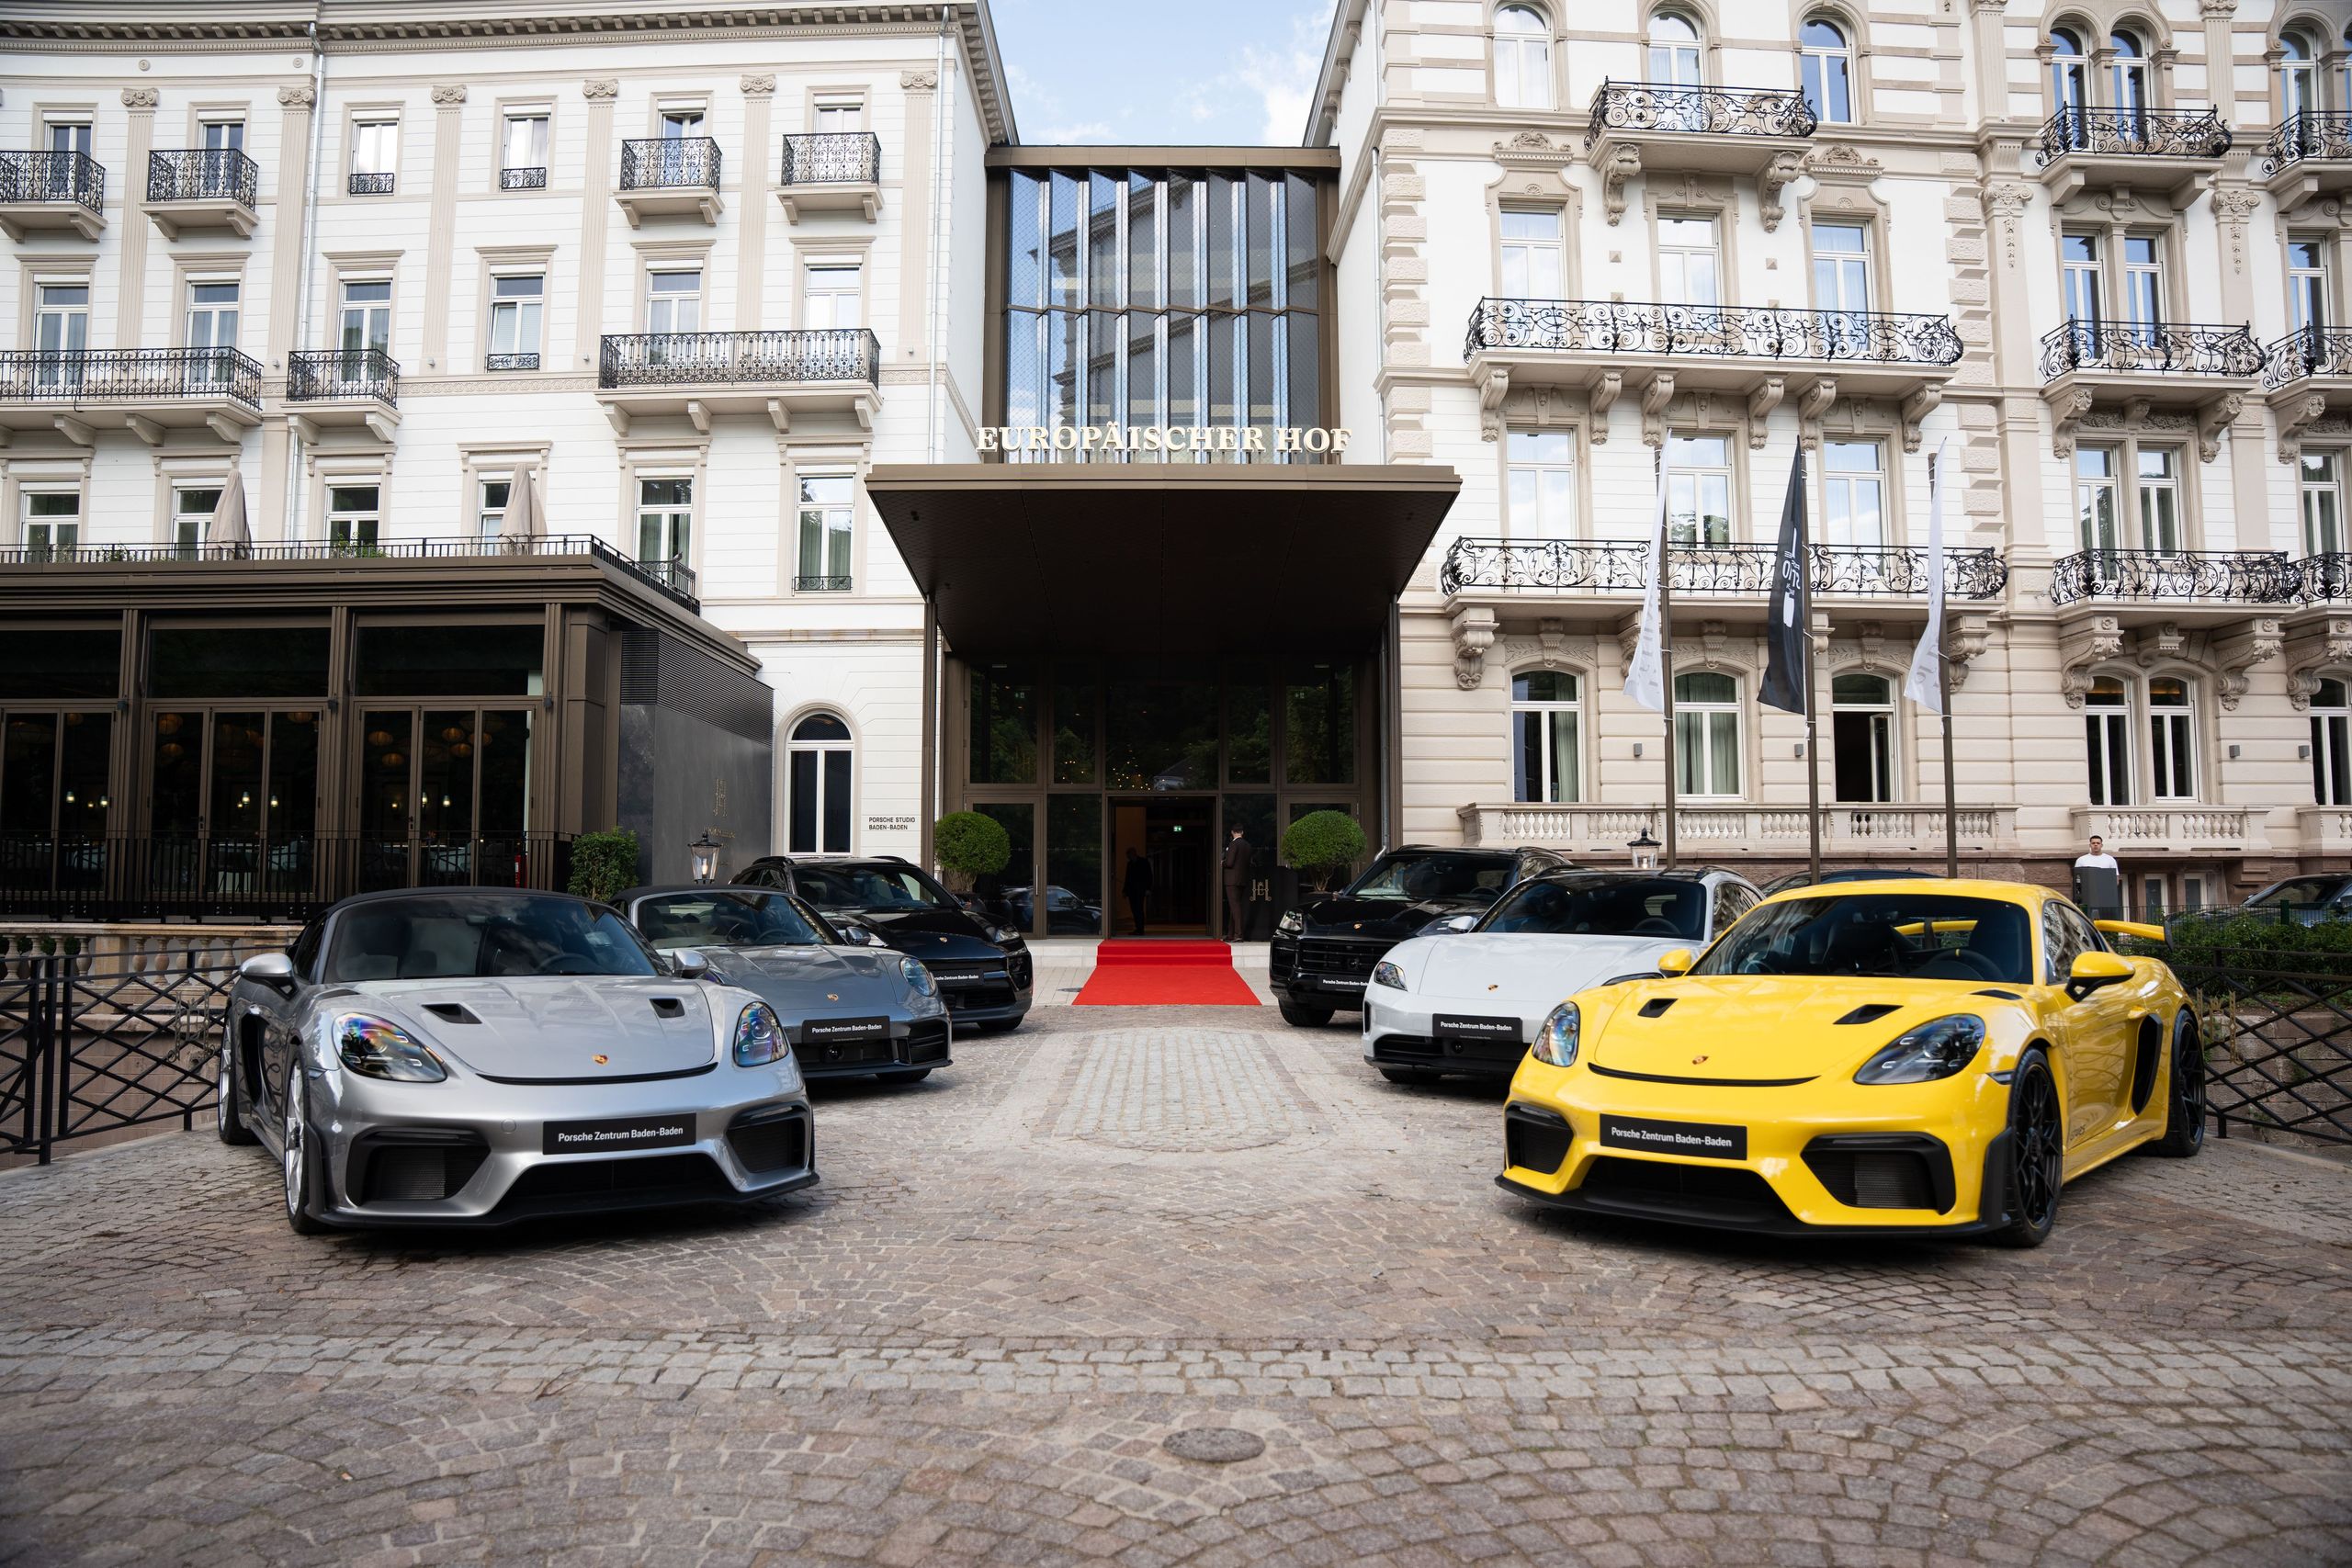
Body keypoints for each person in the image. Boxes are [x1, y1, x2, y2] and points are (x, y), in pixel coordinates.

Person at [2073, 833, 2121, 919]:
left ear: (2101, 845)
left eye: (2098, 843)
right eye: (2093, 843)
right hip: (2087, 898)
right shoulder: (2081, 860)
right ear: (2090, 845)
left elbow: (2116, 880)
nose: (2095, 845)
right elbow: (2077, 880)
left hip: (2106, 898)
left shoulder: (2110, 860)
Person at [1221, 826, 1250, 942]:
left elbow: (1230, 863)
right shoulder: (1247, 845)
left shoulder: (1233, 844)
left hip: (1232, 880)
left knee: (1235, 907)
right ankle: (1230, 934)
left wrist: (1223, 863)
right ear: (1242, 832)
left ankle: (1238, 934)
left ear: (1232, 832)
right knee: (1235, 906)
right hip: (1242, 879)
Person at [1122, 846, 1154, 936]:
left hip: (1140, 890)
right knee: (1134, 910)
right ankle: (1138, 928)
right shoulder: (1130, 864)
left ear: (1133, 854)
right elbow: (1127, 878)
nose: (1128, 857)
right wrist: (1125, 890)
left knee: (1139, 909)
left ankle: (1140, 929)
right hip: (1132, 891)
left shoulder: (1143, 862)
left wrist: (1148, 888)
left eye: (1129, 855)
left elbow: (1149, 876)